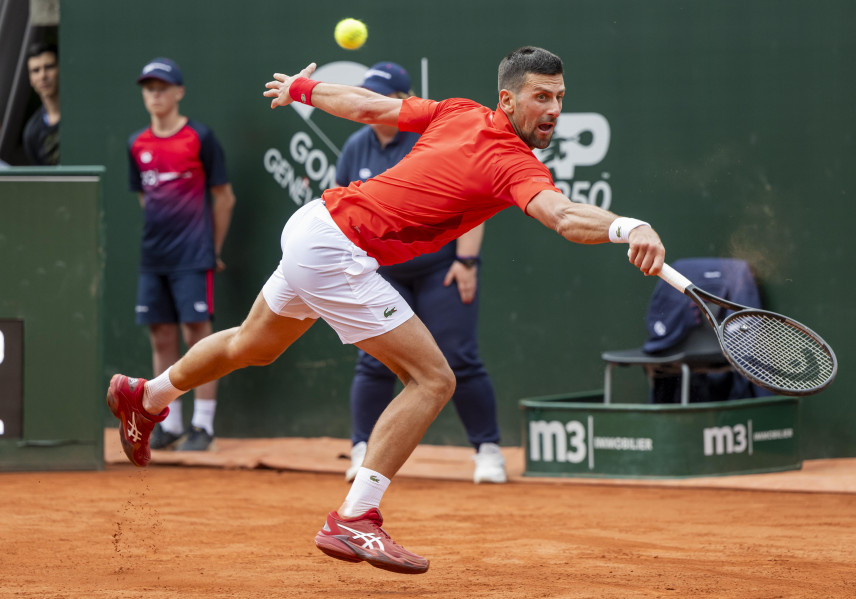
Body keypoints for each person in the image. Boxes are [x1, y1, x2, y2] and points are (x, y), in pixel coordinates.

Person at [106, 46, 665, 575]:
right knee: (432, 379)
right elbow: (564, 218)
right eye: (541, 97)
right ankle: (354, 517)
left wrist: (305, 87)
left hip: (314, 226)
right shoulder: (513, 162)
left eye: (560, 98)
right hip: (337, 249)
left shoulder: (459, 113)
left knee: (253, 344)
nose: (554, 110)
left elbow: (371, 106)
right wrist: (629, 226)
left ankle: (146, 396)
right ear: (508, 100)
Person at [336, 62, 506, 485]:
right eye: (368, 94)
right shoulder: (356, 146)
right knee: (373, 361)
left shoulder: (428, 138)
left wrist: (466, 262)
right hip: (381, 272)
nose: (373, 103)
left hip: (439, 268)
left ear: (403, 102)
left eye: (384, 96)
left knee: (459, 358)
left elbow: (470, 203)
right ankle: (362, 449)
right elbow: (343, 209)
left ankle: (487, 450)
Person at [126, 57, 236, 452]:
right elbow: (145, 197)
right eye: (149, 88)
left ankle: (202, 424)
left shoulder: (200, 138)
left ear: (179, 92)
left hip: (194, 254)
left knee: (197, 336)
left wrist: (213, 249)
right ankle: (168, 423)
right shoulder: (136, 144)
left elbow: (224, 198)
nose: (155, 94)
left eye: (162, 87)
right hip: (154, 257)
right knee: (161, 336)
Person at [22, 43, 60, 165]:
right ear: (30, 79)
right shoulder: (31, 132)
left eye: (49, 67)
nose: (43, 75)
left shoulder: (82, 116)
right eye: (35, 70)